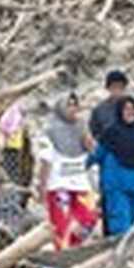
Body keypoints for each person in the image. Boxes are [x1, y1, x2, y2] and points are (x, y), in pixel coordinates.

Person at [38, 93, 99, 249]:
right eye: (69, 105)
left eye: (75, 104)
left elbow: (93, 151)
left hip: (81, 182)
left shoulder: (81, 126)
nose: (73, 109)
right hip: (59, 184)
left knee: (89, 218)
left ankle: (75, 245)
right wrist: (42, 187)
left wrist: (86, 135)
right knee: (61, 225)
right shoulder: (50, 130)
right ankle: (62, 255)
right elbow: (45, 162)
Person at [87, 96, 134, 237]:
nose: (130, 112)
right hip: (117, 185)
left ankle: (132, 251)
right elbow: (98, 153)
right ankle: (120, 251)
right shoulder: (111, 133)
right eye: (126, 109)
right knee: (120, 222)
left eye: (133, 109)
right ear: (119, 112)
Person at [89, 70, 129, 145]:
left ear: (124, 88)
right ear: (108, 88)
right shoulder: (99, 110)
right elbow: (94, 132)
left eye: (120, 87)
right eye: (114, 87)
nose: (117, 91)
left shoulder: (131, 107)